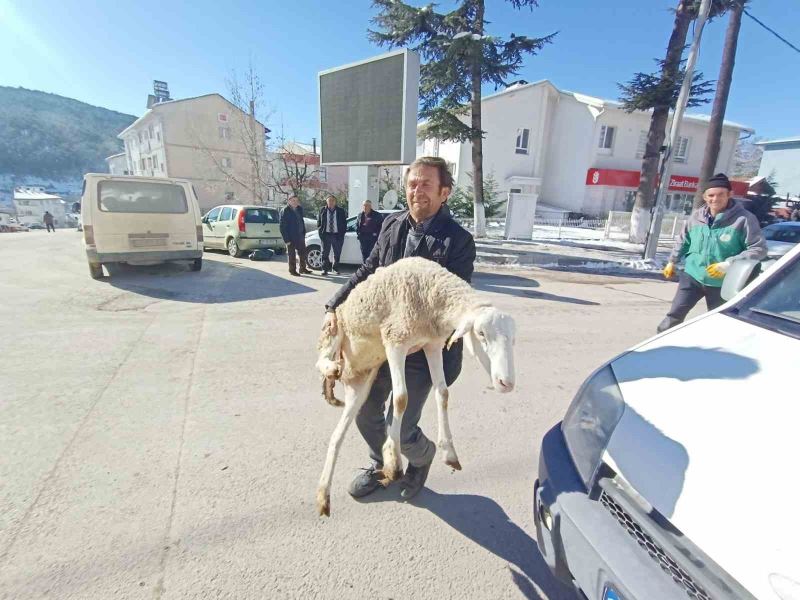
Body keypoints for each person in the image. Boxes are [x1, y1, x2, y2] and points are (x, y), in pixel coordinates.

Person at [323, 156, 476, 502]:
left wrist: (415, 335)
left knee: (402, 424)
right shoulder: (393, 225)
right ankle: (383, 464)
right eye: (411, 183)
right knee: (363, 410)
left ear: (444, 192)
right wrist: (334, 305)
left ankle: (421, 459)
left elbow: (452, 305)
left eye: (425, 184)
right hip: (386, 342)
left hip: (426, 350)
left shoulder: (458, 241)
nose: (416, 190)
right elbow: (369, 270)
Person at [657, 173, 767, 333]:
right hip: (692, 277)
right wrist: (672, 261)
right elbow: (684, 240)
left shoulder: (744, 219)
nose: (715, 199)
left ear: (730, 194)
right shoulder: (696, 217)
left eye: (721, 194)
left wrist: (729, 264)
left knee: (720, 323)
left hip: (722, 283)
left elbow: (759, 249)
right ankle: (661, 346)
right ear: (704, 196)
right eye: (711, 195)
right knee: (673, 315)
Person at [279, 195, 310, 276]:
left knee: (303, 253)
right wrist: (286, 240)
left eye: (296, 200)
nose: (295, 202)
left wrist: (303, 232)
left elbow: (301, 221)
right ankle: (292, 270)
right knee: (291, 255)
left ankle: (302, 268)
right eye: (293, 200)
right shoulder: (285, 210)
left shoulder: (299, 209)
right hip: (290, 237)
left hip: (300, 235)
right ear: (289, 201)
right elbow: (282, 227)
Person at [317, 195, 347, 275]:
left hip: (337, 235)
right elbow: (319, 222)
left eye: (332, 200)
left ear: (335, 202)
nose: (331, 202)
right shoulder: (322, 210)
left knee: (337, 253)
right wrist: (321, 233)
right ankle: (325, 269)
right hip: (326, 235)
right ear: (326, 202)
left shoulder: (341, 210)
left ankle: (335, 268)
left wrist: (342, 233)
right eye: (329, 200)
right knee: (325, 253)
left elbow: (344, 223)